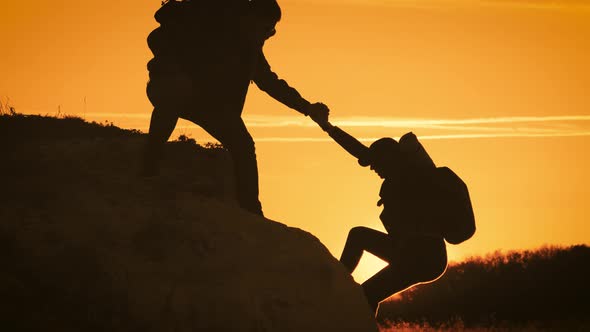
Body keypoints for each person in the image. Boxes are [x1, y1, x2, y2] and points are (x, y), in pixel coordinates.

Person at [143, 0, 329, 216]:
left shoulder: (250, 50)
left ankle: (251, 208)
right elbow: (156, 38)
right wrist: (174, 67)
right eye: (266, 28)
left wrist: (307, 108)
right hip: (171, 86)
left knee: (244, 145)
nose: (268, 35)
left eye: (272, 31)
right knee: (176, 92)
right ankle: (150, 163)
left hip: (211, 104)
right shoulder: (210, 24)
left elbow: (270, 83)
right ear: (250, 20)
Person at [312, 117, 448, 314]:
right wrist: (328, 127)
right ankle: (342, 286)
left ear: (388, 160)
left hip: (421, 258)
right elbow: (361, 152)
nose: (372, 168)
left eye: (376, 164)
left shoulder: (410, 177)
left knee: (359, 238)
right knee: (366, 293)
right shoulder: (397, 172)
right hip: (410, 252)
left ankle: (337, 282)